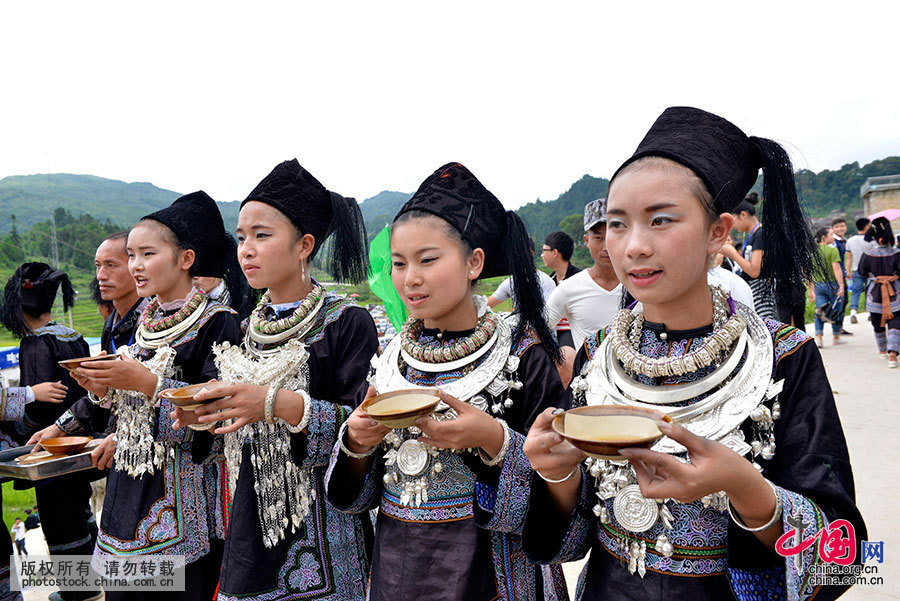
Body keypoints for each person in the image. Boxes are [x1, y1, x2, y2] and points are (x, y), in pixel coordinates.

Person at [522, 106, 864, 601]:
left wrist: (746, 488)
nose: (634, 246)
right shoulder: (598, 356)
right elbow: (570, 536)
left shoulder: (784, 356)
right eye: (617, 225)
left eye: (661, 220)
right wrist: (557, 473)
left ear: (718, 232)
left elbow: (843, 557)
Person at [329, 163, 568, 601]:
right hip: (397, 573)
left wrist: (494, 439)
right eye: (398, 264)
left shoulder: (522, 356)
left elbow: (563, 498)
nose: (409, 279)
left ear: (474, 262)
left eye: (428, 260)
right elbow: (354, 498)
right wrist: (357, 444)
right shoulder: (389, 358)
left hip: (489, 575)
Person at [172, 159, 377, 601]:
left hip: (322, 530)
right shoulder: (246, 329)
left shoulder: (346, 322)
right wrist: (204, 416)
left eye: (262, 236)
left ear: (304, 245)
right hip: (247, 519)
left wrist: (276, 403)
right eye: (242, 237)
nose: (246, 249)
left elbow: (364, 428)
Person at [75, 191, 243, 601]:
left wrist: (147, 385)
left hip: (181, 504)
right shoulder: (145, 323)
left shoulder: (218, 324)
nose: (135, 265)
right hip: (127, 493)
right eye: (131, 255)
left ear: (185, 259)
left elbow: (214, 422)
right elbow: (130, 411)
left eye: (147, 254)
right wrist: (104, 396)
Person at [0, 262, 99, 601]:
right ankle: (94, 580)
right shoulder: (74, 337)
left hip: (49, 444)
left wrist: (18, 434)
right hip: (80, 436)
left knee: (59, 516)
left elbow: (38, 407)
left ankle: (77, 591)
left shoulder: (34, 345)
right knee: (81, 507)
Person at [29, 232, 144, 444]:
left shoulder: (156, 322)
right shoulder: (111, 324)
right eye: (98, 265)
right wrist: (60, 426)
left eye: (111, 265)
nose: (101, 275)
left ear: (136, 267)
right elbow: (108, 393)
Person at [545, 198, 621, 387]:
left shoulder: (643, 285)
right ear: (586, 241)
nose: (606, 246)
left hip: (637, 386)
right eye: (598, 237)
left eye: (614, 233)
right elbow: (537, 330)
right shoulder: (569, 289)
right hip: (591, 387)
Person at [719, 192, 778, 319]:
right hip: (755, 291)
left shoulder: (760, 234)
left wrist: (733, 254)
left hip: (761, 293)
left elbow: (755, 271)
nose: (733, 225)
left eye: (733, 219)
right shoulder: (754, 235)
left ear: (743, 215)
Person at [857, 217, 900, 368]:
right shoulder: (897, 253)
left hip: (874, 293)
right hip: (895, 292)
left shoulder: (868, 254)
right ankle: (893, 354)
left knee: (877, 321)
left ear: (876, 238)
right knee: (895, 322)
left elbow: (862, 272)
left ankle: (882, 351)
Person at [541, 231, 581, 356]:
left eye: (544, 250)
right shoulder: (549, 281)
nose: (541, 255)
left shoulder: (579, 279)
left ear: (554, 253)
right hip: (553, 331)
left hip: (572, 332)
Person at [487, 238, 556, 308]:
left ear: (531, 253)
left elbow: (551, 312)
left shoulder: (546, 282)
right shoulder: (511, 282)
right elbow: (488, 304)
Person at [810, 227, 846, 348]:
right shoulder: (832, 250)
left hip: (818, 286)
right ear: (824, 237)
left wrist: (811, 288)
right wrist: (841, 285)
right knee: (835, 309)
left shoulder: (813, 252)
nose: (833, 236)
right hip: (832, 284)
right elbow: (836, 269)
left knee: (819, 311)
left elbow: (808, 271)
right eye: (831, 234)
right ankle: (836, 336)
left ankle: (819, 338)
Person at [846, 217, 878, 323]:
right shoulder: (872, 241)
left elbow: (849, 258)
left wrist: (848, 271)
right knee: (870, 291)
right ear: (866, 226)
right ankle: (870, 313)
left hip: (856, 270)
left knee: (856, 292)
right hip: (870, 271)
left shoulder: (850, 240)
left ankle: (853, 314)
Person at [830, 218, 853, 335]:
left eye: (842, 226)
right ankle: (837, 327)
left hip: (842, 273)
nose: (840, 228)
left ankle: (839, 326)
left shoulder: (845, 241)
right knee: (840, 301)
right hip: (836, 274)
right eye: (837, 226)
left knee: (843, 301)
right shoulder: (833, 242)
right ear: (833, 229)